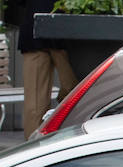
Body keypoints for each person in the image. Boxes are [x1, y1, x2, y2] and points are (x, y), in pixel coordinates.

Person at [4, 0, 79, 139]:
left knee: (73, 93)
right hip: (50, 28)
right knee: (71, 94)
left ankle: (38, 149)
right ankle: (34, 151)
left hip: (56, 28)